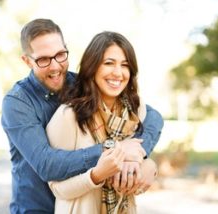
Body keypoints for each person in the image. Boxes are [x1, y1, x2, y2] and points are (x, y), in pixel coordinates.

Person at [1, 18, 164, 213]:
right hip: (36, 208)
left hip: (85, 204)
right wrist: (114, 150)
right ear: (27, 60)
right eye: (43, 59)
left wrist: (140, 156)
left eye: (60, 55)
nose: (55, 67)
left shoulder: (82, 85)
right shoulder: (18, 102)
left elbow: (152, 116)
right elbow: (47, 164)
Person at [46, 31, 162, 214]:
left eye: (125, 65)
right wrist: (97, 175)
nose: (118, 72)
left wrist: (147, 165)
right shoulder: (68, 116)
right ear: (93, 67)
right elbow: (57, 188)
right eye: (109, 63)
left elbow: (138, 155)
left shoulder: (134, 112)